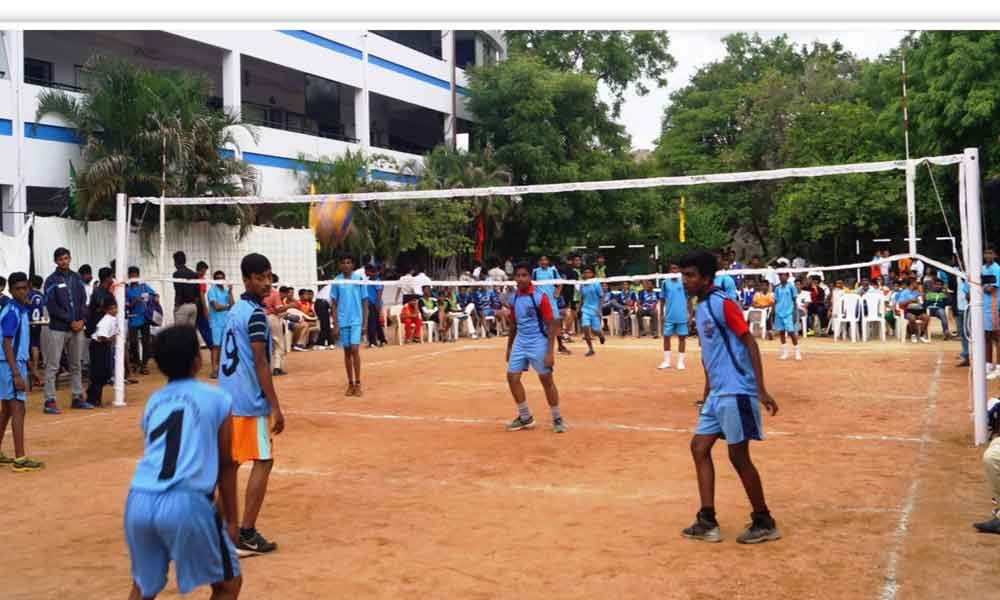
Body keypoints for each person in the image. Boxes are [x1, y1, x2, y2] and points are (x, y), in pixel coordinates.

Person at [124, 325, 242, 599]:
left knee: (143, 587)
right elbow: (227, 464)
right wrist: (233, 521)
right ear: (196, 360)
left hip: (139, 498)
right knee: (227, 584)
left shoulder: (153, 402)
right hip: (185, 500)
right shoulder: (217, 397)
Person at [677, 250, 780, 545]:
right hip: (717, 393)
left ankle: (764, 520)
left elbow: (750, 342)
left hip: (736, 391)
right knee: (699, 447)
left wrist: (759, 389)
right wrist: (706, 395)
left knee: (738, 455)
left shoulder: (723, 304)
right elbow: (712, 355)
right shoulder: (702, 306)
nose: (684, 280)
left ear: (706, 278)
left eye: (690, 275)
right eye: (682, 275)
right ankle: (707, 520)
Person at [218, 253, 284, 557]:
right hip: (248, 401)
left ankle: (216, 529)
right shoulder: (256, 314)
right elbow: (260, 362)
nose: (266, 282)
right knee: (264, 460)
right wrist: (274, 405)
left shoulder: (235, 310)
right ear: (246, 279)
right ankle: (246, 531)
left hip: (227, 397)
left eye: (268, 276)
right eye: (260, 277)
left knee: (230, 467)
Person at [504, 262, 565, 434]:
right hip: (520, 342)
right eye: (518, 275)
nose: (521, 278)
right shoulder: (514, 298)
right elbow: (514, 325)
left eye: (524, 275)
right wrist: (509, 348)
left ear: (530, 278)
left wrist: (549, 352)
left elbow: (552, 324)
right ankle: (525, 417)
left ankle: (557, 417)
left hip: (538, 341)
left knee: (546, 380)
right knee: (512, 378)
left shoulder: (539, 297)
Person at [0, 272, 44, 471]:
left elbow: (19, 344)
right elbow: (7, 343)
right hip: (9, 365)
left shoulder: (18, 309)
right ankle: (20, 459)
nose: (22, 291)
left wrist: (31, 369)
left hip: (10, 364)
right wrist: (16, 373)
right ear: (10, 290)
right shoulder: (13, 312)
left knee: (8, 410)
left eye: (24, 287)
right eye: (17, 288)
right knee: (18, 408)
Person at [42, 247, 89, 414]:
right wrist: (71, 321)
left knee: (76, 364)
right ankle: (49, 400)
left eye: (66, 258)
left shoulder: (76, 278)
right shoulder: (50, 280)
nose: (64, 261)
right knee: (52, 365)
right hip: (58, 329)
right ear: (55, 261)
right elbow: (51, 305)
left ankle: (77, 397)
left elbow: (84, 300)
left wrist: (82, 320)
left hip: (78, 328)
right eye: (60, 259)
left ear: (70, 259)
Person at [330, 254, 369, 397]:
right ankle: (350, 383)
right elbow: (333, 303)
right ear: (340, 265)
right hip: (343, 320)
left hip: (356, 320)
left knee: (354, 349)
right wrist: (336, 324)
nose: (346, 265)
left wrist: (364, 322)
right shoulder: (337, 281)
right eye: (343, 262)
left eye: (349, 262)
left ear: (352, 265)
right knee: (347, 352)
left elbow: (365, 302)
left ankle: (358, 383)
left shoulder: (358, 280)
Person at [532, 255, 570, 354]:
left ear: (548, 261)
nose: (543, 261)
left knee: (556, 323)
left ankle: (560, 346)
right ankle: (539, 347)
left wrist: (557, 291)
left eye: (545, 260)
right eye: (541, 260)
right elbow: (532, 284)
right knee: (541, 324)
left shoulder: (553, 271)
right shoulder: (535, 272)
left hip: (552, 301)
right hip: (540, 301)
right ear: (539, 262)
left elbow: (560, 282)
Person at [85, 296, 118, 408]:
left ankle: (95, 397)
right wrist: (112, 338)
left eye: (115, 308)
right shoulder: (106, 320)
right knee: (98, 373)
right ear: (107, 310)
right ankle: (93, 398)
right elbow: (101, 337)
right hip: (98, 346)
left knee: (104, 373)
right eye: (112, 308)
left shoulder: (112, 318)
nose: (114, 310)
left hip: (104, 346)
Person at [126, 267, 156, 376]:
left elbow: (154, 295)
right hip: (133, 318)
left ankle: (144, 365)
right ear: (129, 276)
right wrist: (135, 301)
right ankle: (136, 363)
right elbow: (126, 305)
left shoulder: (144, 287)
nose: (134, 277)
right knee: (133, 342)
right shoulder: (126, 289)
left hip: (144, 318)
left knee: (146, 342)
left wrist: (154, 298)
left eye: (136, 275)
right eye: (132, 275)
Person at [659, 263, 690, 370]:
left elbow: (689, 299)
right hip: (669, 315)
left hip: (682, 315)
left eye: (676, 268)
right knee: (666, 337)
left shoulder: (684, 282)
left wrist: (690, 314)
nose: (674, 270)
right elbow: (662, 299)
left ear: (679, 270)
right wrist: (661, 314)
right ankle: (667, 361)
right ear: (669, 270)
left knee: (682, 338)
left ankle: (680, 362)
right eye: (672, 269)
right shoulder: (665, 283)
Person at [207, 271, 235, 379]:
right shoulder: (211, 291)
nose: (220, 280)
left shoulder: (227, 291)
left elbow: (233, 305)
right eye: (218, 278)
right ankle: (214, 370)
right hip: (216, 323)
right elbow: (216, 307)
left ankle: (223, 368)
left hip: (226, 322)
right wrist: (227, 306)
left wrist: (231, 291)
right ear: (214, 279)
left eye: (222, 278)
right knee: (216, 347)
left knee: (225, 346)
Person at [262, 274, 289, 377]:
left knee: (263, 344)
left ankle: (264, 367)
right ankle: (277, 368)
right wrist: (290, 306)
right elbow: (278, 309)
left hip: (260, 317)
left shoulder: (259, 292)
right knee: (278, 343)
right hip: (272, 318)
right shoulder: (274, 293)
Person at [773, 273, 802, 361]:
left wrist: (795, 313)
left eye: (784, 275)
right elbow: (775, 301)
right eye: (780, 275)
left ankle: (797, 351)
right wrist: (773, 311)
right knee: (781, 332)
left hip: (789, 312)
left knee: (791, 332)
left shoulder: (791, 287)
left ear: (787, 277)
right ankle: (785, 352)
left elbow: (794, 301)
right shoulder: (777, 288)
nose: (782, 277)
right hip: (779, 312)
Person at [578, 266, 604, 357]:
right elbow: (582, 297)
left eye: (589, 272)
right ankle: (590, 349)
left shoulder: (596, 284)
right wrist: (579, 308)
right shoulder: (582, 285)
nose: (587, 274)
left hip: (595, 310)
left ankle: (601, 335)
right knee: (585, 328)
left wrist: (599, 309)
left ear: (592, 274)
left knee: (595, 330)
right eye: (585, 272)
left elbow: (601, 297)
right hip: (585, 309)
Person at [896, 278, 930, 344]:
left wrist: (921, 296)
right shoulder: (904, 292)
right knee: (912, 318)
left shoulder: (916, 292)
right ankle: (913, 335)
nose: (917, 284)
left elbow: (922, 302)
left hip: (918, 310)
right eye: (915, 283)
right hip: (908, 310)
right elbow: (900, 304)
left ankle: (921, 336)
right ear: (912, 284)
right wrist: (910, 301)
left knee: (927, 317)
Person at [171, 252, 200, 328]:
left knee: (180, 334)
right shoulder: (194, 274)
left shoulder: (176, 274)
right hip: (193, 306)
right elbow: (197, 293)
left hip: (182, 306)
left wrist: (176, 306)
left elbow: (179, 292)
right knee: (189, 335)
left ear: (175, 262)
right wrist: (194, 305)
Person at [984, 246, 1000, 379]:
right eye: (986, 253)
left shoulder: (997, 269)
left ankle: (998, 367)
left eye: (990, 253)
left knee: (997, 337)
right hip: (984, 308)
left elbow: (991, 289)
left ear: (995, 255)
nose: (987, 255)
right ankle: (988, 364)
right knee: (987, 337)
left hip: (995, 306)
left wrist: (980, 286)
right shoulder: (983, 268)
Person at [27, 275, 44, 388]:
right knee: (35, 345)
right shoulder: (42, 296)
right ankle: (36, 369)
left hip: (29, 322)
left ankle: (34, 372)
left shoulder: (29, 294)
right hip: (37, 322)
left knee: (26, 346)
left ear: (31, 283)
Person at [364, 264, 387, 348]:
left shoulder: (376, 280)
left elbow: (379, 292)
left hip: (374, 305)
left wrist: (377, 304)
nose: (365, 273)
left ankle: (373, 342)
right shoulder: (368, 280)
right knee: (376, 323)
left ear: (370, 272)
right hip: (369, 304)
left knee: (372, 323)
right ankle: (382, 339)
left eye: (366, 271)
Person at [195, 261, 214, 350]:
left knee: (192, 332)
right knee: (206, 331)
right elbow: (201, 295)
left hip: (192, 306)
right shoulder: (201, 279)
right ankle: (213, 350)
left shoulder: (192, 277)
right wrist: (205, 309)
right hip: (199, 308)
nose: (205, 273)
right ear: (201, 270)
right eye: (204, 271)